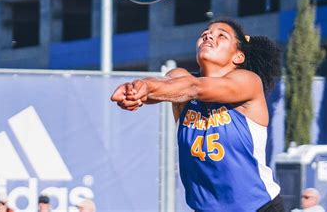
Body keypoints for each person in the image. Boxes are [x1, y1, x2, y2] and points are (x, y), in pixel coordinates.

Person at [111, 18, 283, 211]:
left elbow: (195, 88)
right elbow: (167, 87)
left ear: (238, 57)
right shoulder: (181, 78)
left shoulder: (248, 81)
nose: (208, 35)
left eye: (221, 35)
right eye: (205, 33)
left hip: (259, 207)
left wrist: (147, 87)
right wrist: (135, 92)